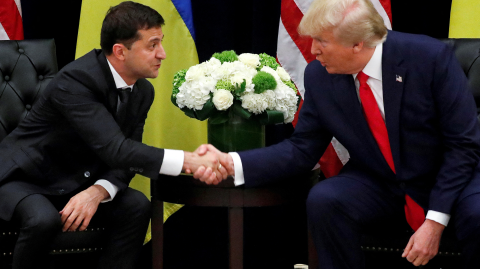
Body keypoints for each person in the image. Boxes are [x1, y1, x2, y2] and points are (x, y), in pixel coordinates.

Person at [194, 0, 480, 268]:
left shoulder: (427, 58)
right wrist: (233, 162)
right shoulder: (319, 75)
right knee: (326, 198)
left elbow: (463, 146)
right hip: (382, 179)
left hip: (450, 175)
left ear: (357, 44)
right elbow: (301, 149)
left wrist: (435, 221)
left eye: (322, 42)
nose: (313, 51)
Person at [0, 2, 225, 269]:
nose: (162, 54)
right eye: (152, 45)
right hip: (25, 177)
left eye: (161, 43)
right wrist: (188, 160)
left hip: (78, 179)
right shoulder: (75, 81)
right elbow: (116, 150)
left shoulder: (143, 92)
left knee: (137, 205)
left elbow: (128, 157)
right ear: (120, 51)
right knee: (43, 219)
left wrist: (97, 191)